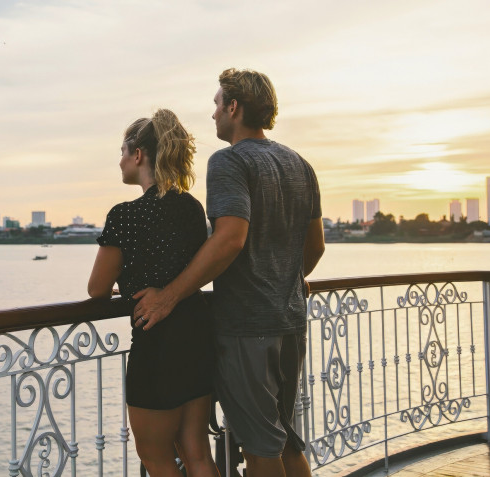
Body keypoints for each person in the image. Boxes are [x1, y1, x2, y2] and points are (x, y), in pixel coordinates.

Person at [132, 69, 325, 477]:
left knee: (260, 449)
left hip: (247, 328)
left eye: (217, 105)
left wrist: (168, 296)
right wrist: (288, 277)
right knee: (284, 439)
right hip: (290, 321)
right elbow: (316, 245)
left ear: (234, 107)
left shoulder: (229, 161)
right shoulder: (299, 164)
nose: (214, 114)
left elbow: (229, 239)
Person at [88, 109, 220, 477]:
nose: (120, 160)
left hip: (156, 343)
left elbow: (97, 289)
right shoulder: (191, 209)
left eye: (122, 151)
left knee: (157, 458)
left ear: (139, 155)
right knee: (197, 455)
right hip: (196, 336)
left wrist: (125, 285)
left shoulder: (125, 215)